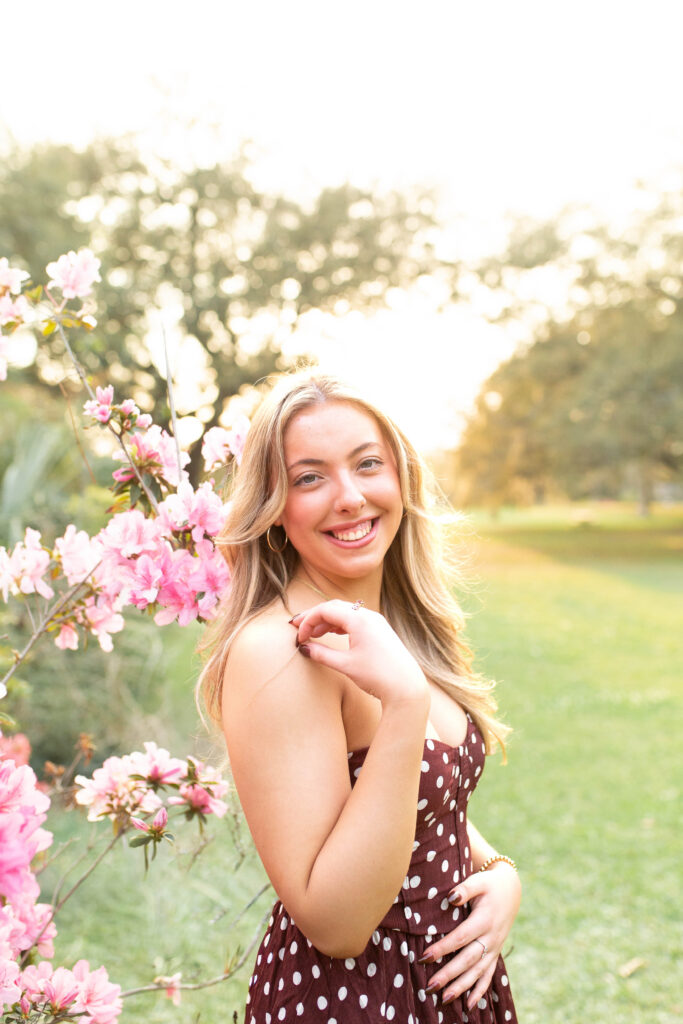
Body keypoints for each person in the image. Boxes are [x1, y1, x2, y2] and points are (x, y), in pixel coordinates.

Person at [198, 371, 521, 1024]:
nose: (349, 497)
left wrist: (500, 873)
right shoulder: (281, 651)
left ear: (400, 476)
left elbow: (422, 801)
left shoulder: (390, 627)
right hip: (361, 999)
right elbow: (335, 922)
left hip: (444, 987)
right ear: (274, 508)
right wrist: (403, 705)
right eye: (309, 477)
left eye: (367, 464)